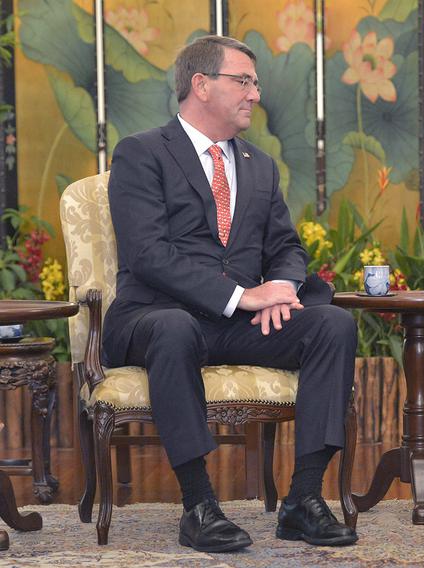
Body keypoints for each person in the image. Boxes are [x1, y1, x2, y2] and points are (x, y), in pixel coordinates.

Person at [103, 35, 358, 552]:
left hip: (238, 325)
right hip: (157, 316)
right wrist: (242, 296)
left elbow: (285, 245)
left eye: (255, 83)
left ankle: (303, 501)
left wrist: (283, 287)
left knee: (333, 324)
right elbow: (149, 255)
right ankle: (198, 506)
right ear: (201, 85)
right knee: (174, 327)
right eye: (243, 81)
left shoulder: (260, 165)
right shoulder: (141, 153)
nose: (255, 94)